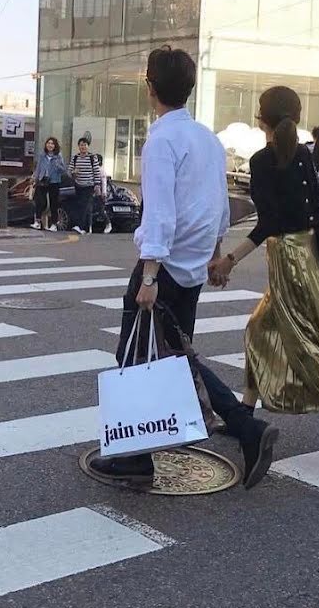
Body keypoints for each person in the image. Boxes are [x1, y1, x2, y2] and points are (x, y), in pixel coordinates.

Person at [89, 47, 278, 490]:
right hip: (192, 267)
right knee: (173, 360)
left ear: (150, 88)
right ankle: (236, 428)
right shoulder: (206, 139)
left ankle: (139, 457)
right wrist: (215, 253)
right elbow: (219, 205)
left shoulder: (162, 141)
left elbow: (159, 214)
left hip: (165, 266)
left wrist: (148, 276)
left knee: (138, 357)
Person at [208, 87, 319, 478]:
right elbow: (318, 213)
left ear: (263, 119)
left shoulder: (262, 160)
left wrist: (229, 260)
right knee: (259, 330)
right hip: (309, 256)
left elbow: (268, 223)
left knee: (308, 350)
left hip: (288, 259)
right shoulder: (303, 154)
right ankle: (243, 415)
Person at [31, 137, 66, 231]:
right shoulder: (42, 155)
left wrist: (57, 165)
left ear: (55, 146)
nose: (50, 145)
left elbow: (63, 170)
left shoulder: (58, 156)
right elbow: (38, 168)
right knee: (40, 201)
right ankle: (37, 221)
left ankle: (54, 224)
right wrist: (35, 178)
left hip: (54, 181)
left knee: (54, 203)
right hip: (42, 180)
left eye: (52, 143)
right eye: (48, 143)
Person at [68, 137, 101, 234]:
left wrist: (97, 185)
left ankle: (80, 226)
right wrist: (73, 173)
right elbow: (69, 171)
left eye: (85, 145)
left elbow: (96, 172)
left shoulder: (92, 158)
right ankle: (84, 227)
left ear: (88, 146)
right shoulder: (75, 158)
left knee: (84, 206)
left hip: (89, 186)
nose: (83, 147)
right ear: (78, 146)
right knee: (79, 206)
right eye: (81, 145)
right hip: (78, 185)